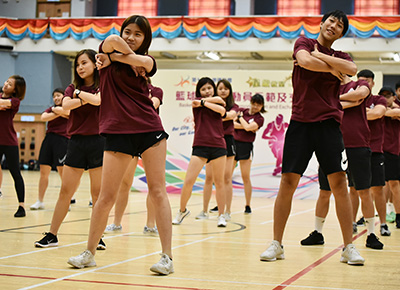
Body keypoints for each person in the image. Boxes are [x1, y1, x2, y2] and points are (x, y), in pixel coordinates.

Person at [67, 15, 173, 275]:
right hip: (118, 132)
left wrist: (116, 58)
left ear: (145, 39)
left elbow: (141, 61)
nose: (131, 37)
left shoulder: (148, 61)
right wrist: (117, 57)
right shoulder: (107, 51)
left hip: (149, 128)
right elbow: (112, 39)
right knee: (106, 197)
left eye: (138, 34)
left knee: (158, 191)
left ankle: (167, 257)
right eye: (128, 31)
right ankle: (89, 252)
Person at [260, 10, 365, 265]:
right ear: (322, 23)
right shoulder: (304, 43)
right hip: (301, 123)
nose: (334, 25)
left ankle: (348, 247)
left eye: (340, 25)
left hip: (329, 125)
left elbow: (351, 69)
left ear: (341, 33)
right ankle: (277, 243)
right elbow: (305, 61)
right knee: (287, 182)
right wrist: (330, 67)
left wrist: (325, 60)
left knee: (339, 183)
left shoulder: (342, 56)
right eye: (331, 21)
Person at [301, 73, 384, 249]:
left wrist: (334, 101)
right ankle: (317, 232)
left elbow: (359, 95)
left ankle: (371, 234)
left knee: (364, 191)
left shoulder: (360, 84)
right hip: (331, 145)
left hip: (358, 144)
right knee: (324, 191)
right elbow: (326, 106)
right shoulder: (328, 89)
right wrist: (344, 102)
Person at [34, 49, 105, 249]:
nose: (80, 67)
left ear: (94, 64)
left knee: (97, 193)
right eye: (78, 64)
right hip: (76, 142)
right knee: (66, 191)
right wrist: (85, 97)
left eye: (84, 63)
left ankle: (97, 237)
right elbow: (65, 106)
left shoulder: (103, 85)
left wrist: (79, 97)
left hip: (99, 141)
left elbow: (99, 100)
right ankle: (52, 235)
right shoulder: (71, 87)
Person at [105, 81, 163, 235]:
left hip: (149, 138)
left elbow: (152, 105)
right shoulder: (126, 88)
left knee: (154, 186)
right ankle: (116, 222)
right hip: (129, 137)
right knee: (125, 184)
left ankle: (150, 225)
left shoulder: (156, 91)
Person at [172, 77, 227, 227]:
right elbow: (202, 103)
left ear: (213, 89)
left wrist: (206, 102)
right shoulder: (196, 102)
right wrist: (204, 102)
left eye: (209, 88)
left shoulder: (218, 102)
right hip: (200, 145)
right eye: (203, 89)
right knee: (189, 181)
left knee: (219, 182)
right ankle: (182, 211)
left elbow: (222, 110)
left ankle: (221, 215)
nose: (207, 91)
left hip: (218, 146)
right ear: (199, 92)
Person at [198, 79, 239, 220]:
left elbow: (230, 116)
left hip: (227, 141)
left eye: (226, 89)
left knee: (226, 177)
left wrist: (215, 116)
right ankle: (204, 211)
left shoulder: (234, 106)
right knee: (209, 178)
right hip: (212, 140)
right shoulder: (211, 105)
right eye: (220, 88)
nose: (223, 91)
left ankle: (226, 211)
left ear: (230, 91)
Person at [30, 88, 70, 210]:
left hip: (62, 140)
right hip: (49, 139)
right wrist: (57, 111)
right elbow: (43, 117)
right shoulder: (51, 108)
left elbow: (67, 113)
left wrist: (56, 111)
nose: (56, 98)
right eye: (54, 96)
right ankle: (40, 201)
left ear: (64, 96)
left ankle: (66, 201)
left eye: (58, 95)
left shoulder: (69, 107)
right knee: (43, 171)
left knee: (63, 172)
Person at [233, 93, 265, 214]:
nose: (255, 106)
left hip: (246, 147)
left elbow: (247, 127)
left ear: (262, 106)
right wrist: (246, 126)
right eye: (254, 103)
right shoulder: (242, 111)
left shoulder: (259, 118)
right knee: (226, 176)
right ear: (251, 102)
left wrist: (241, 121)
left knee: (245, 177)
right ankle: (222, 204)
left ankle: (247, 205)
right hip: (233, 144)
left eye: (259, 105)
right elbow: (232, 124)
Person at [0, 75, 26, 217]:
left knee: (15, 173)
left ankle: (21, 206)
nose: (6, 85)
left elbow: (3, 104)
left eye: (10, 84)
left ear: (15, 90)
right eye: (6, 82)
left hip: (9, 142)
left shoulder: (14, 101)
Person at [380, 86, 400, 229]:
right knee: (377, 186)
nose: (385, 98)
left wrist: (387, 111)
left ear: (394, 97)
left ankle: (398, 215)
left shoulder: (396, 109)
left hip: (393, 151)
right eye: (383, 96)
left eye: (388, 95)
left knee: (394, 184)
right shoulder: (378, 108)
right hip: (378, 151)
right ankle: (381, 217)